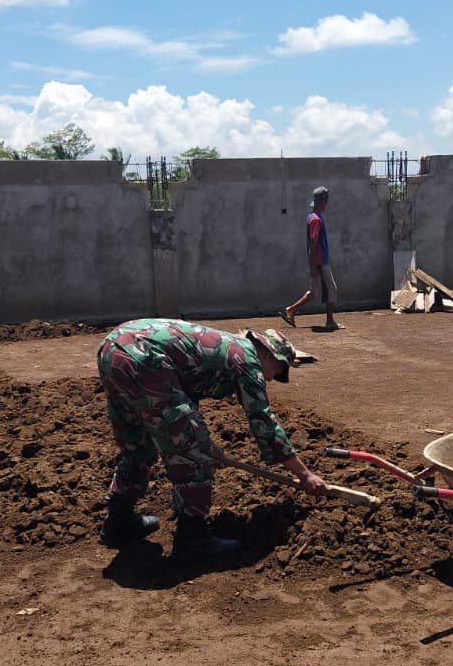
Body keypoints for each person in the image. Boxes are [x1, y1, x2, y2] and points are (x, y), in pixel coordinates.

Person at [97, 318, 328, 556]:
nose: (270, 379)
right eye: (277, 371)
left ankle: (118, 521)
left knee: (138, 444)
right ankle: (193, 538)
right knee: (193, 452)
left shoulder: (222, 346)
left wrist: (208, 443)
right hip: (145, 359)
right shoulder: (248, 359)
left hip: (113, 350)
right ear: (269, 356)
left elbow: (184, 397)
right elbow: (264, 423)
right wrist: (304, 474)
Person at [281, 185, 341, 331]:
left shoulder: (312, 217)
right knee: (331, 289)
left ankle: (291, 310)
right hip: (320, 261)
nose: (327, 203)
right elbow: (313, 242)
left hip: (319, 261)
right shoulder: (316, 220)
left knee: (315, 291)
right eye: (327, 200)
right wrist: (313, 265)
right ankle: (330, 321)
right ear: (323, 201)